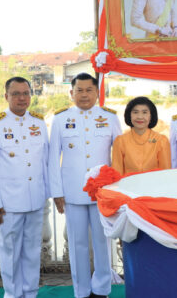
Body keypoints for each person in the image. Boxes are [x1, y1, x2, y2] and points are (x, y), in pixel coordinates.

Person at [48, 73, 121, 298]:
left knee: (102, 242)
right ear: (72, 93)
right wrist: (57, 192)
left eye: (89, 90)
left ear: (97, 92)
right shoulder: (60, 119)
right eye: (79, 90)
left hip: (102, 193)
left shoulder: (110, 117)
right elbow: (53, 158)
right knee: (77, 243)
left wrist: (116, 191)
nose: (84, 94)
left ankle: (102, 289)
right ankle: (81, 290)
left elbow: (118, 156)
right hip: (72, 191)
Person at [0, 77, 49, 298]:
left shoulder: (39, 122)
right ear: (6, 96)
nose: (22, 98)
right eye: (16, 94)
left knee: (32, 251)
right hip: (8, 202)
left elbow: (45, 163)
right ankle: (12, 294)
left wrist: (47, 194)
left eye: (26, 93)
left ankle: (30, 293)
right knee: (9, 252)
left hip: (35, 199)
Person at [112, 96, 171, 174]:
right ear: (129, 115)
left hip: (155, 182)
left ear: (151, 116)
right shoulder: (120, 141)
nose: (140, 117)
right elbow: (117, 173)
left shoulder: (161, 140)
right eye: (135, 112)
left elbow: (166, 173)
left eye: (144, 112)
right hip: (127, 182)